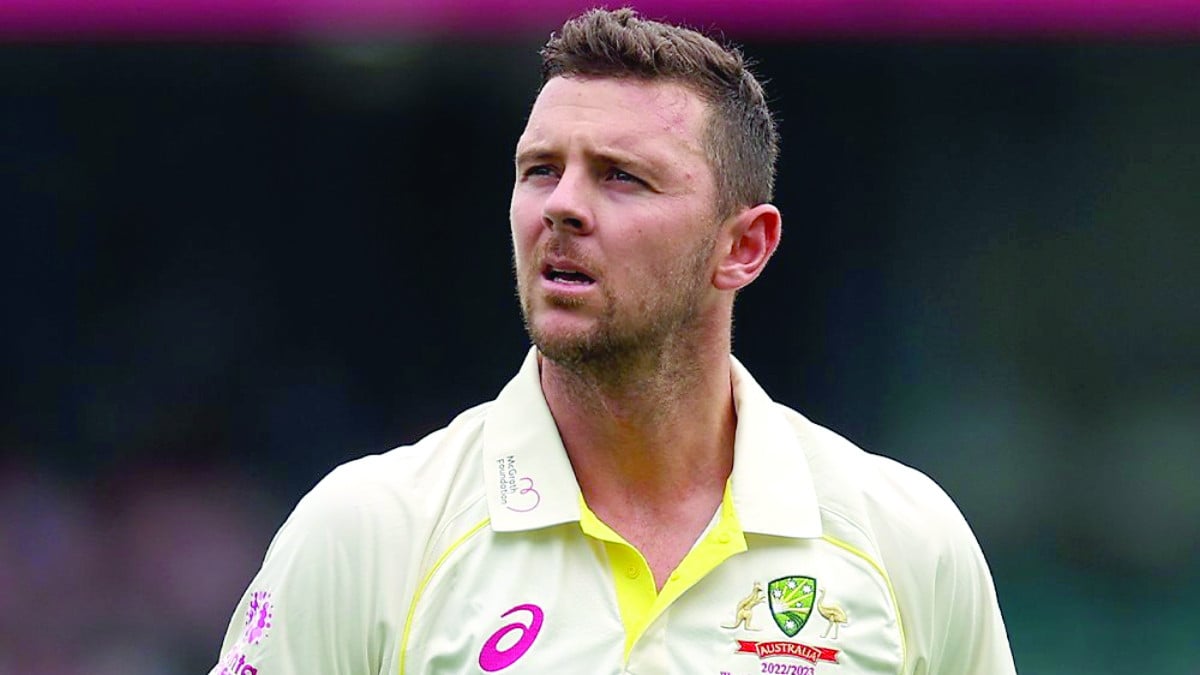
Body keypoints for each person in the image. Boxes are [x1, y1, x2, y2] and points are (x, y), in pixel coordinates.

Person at [211, 8, 1016, 674]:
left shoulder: (905, 539)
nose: (561, 206)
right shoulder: (371, 529)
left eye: (621, 176)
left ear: (745, 247)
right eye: (539, 170)